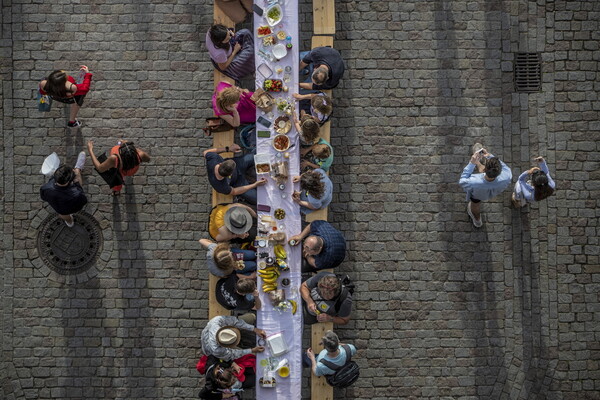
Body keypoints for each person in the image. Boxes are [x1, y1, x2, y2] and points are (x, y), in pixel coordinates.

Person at [458, 143, 512, 228]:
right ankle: (478, 163)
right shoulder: (507, 175)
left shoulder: (474, 182)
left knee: (475, 205)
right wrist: (489, 156)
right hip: (494, 190)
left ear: (485, 169)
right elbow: (504, 166)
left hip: (478, 194)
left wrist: (471, 163)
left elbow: (462, 181)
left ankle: (477, 220)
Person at [40, 152, 87, 227]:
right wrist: (76, 182)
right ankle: (78, 169)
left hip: (60, 209)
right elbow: (83, 201)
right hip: (73, 207)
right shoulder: (77, 193)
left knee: (64, 215)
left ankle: (70, 222)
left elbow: (43, 197)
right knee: (77, 174)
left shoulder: (46, 188)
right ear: (69, 180)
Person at [87, 140, 151, 195]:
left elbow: (100, 168)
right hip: (132, 170)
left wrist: (90, 150)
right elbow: (148, 159)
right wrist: (133, 149)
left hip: (120, 172)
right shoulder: (141, 154)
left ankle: (116, 191)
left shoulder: (114, 159)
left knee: (117, 181)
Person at [201, 315, 266, 361]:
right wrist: (252, 350)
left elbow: (235, 321)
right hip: (211, 347)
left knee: (251, 317)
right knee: (252, 354)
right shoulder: (217, 350)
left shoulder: (217, 321)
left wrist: (254, 329)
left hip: (213, 333)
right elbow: (233, 354)